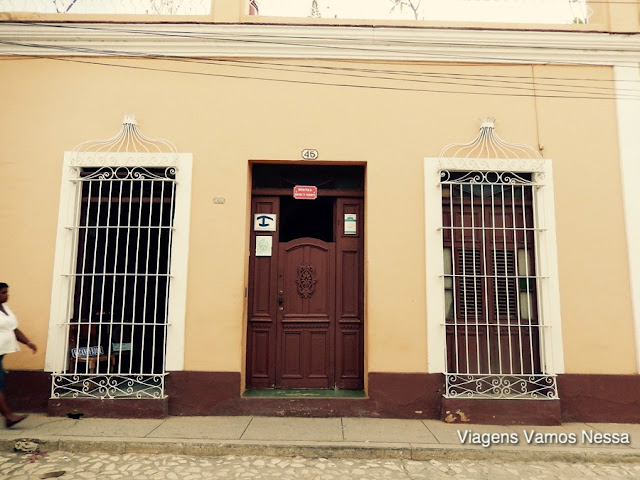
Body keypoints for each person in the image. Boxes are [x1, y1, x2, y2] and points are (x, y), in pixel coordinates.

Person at [0, 282, 37, 428]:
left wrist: (28, 342)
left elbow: (14, 329)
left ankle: (8, 416)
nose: (6, 295)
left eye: (6, 292)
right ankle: (8, 416)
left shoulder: (6, 309)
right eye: (3, 292)